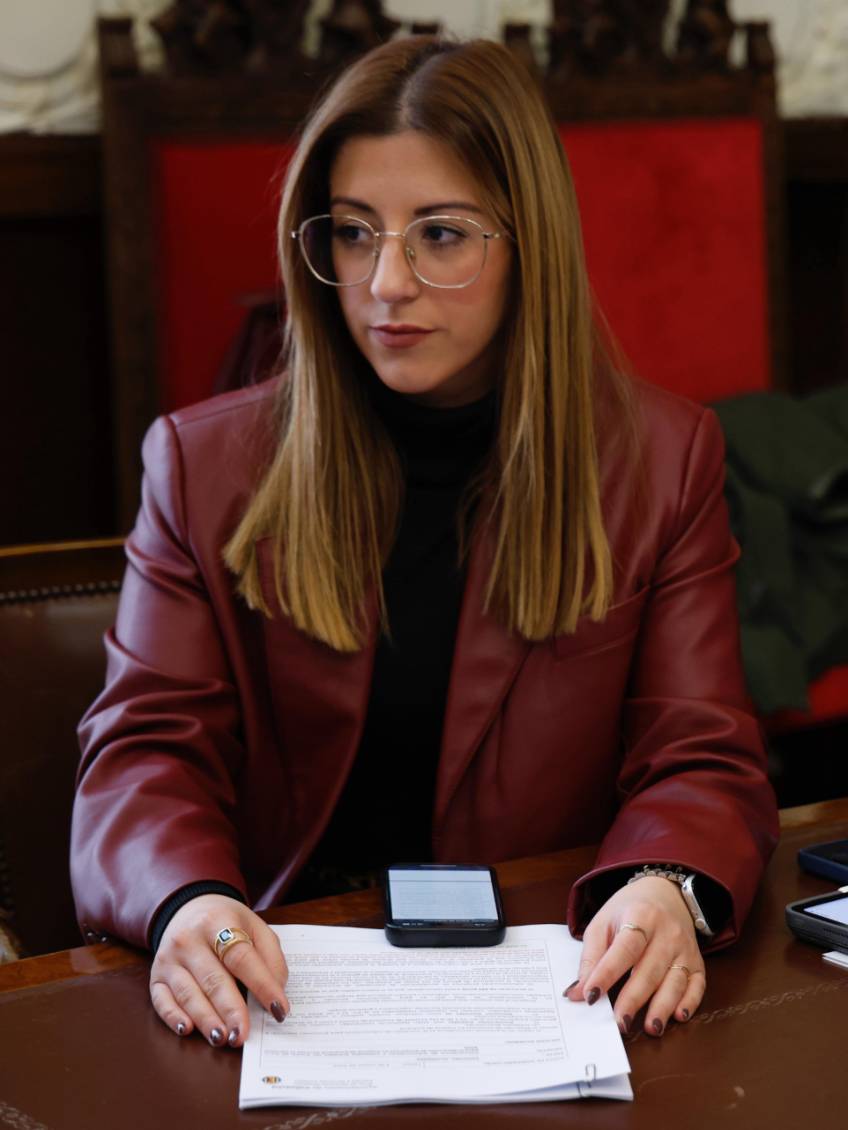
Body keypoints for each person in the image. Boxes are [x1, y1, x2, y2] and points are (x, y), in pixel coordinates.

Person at [71, 34, 778, 1052]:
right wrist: (186, 900)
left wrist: (663, 883)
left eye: (439, 235)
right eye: (353, 233)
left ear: (529, 244)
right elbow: (143, 754)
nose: (385, 282)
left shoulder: (662, 459)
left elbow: (700, 754)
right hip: (276, 987)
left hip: (548, 988)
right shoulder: (200, 464)